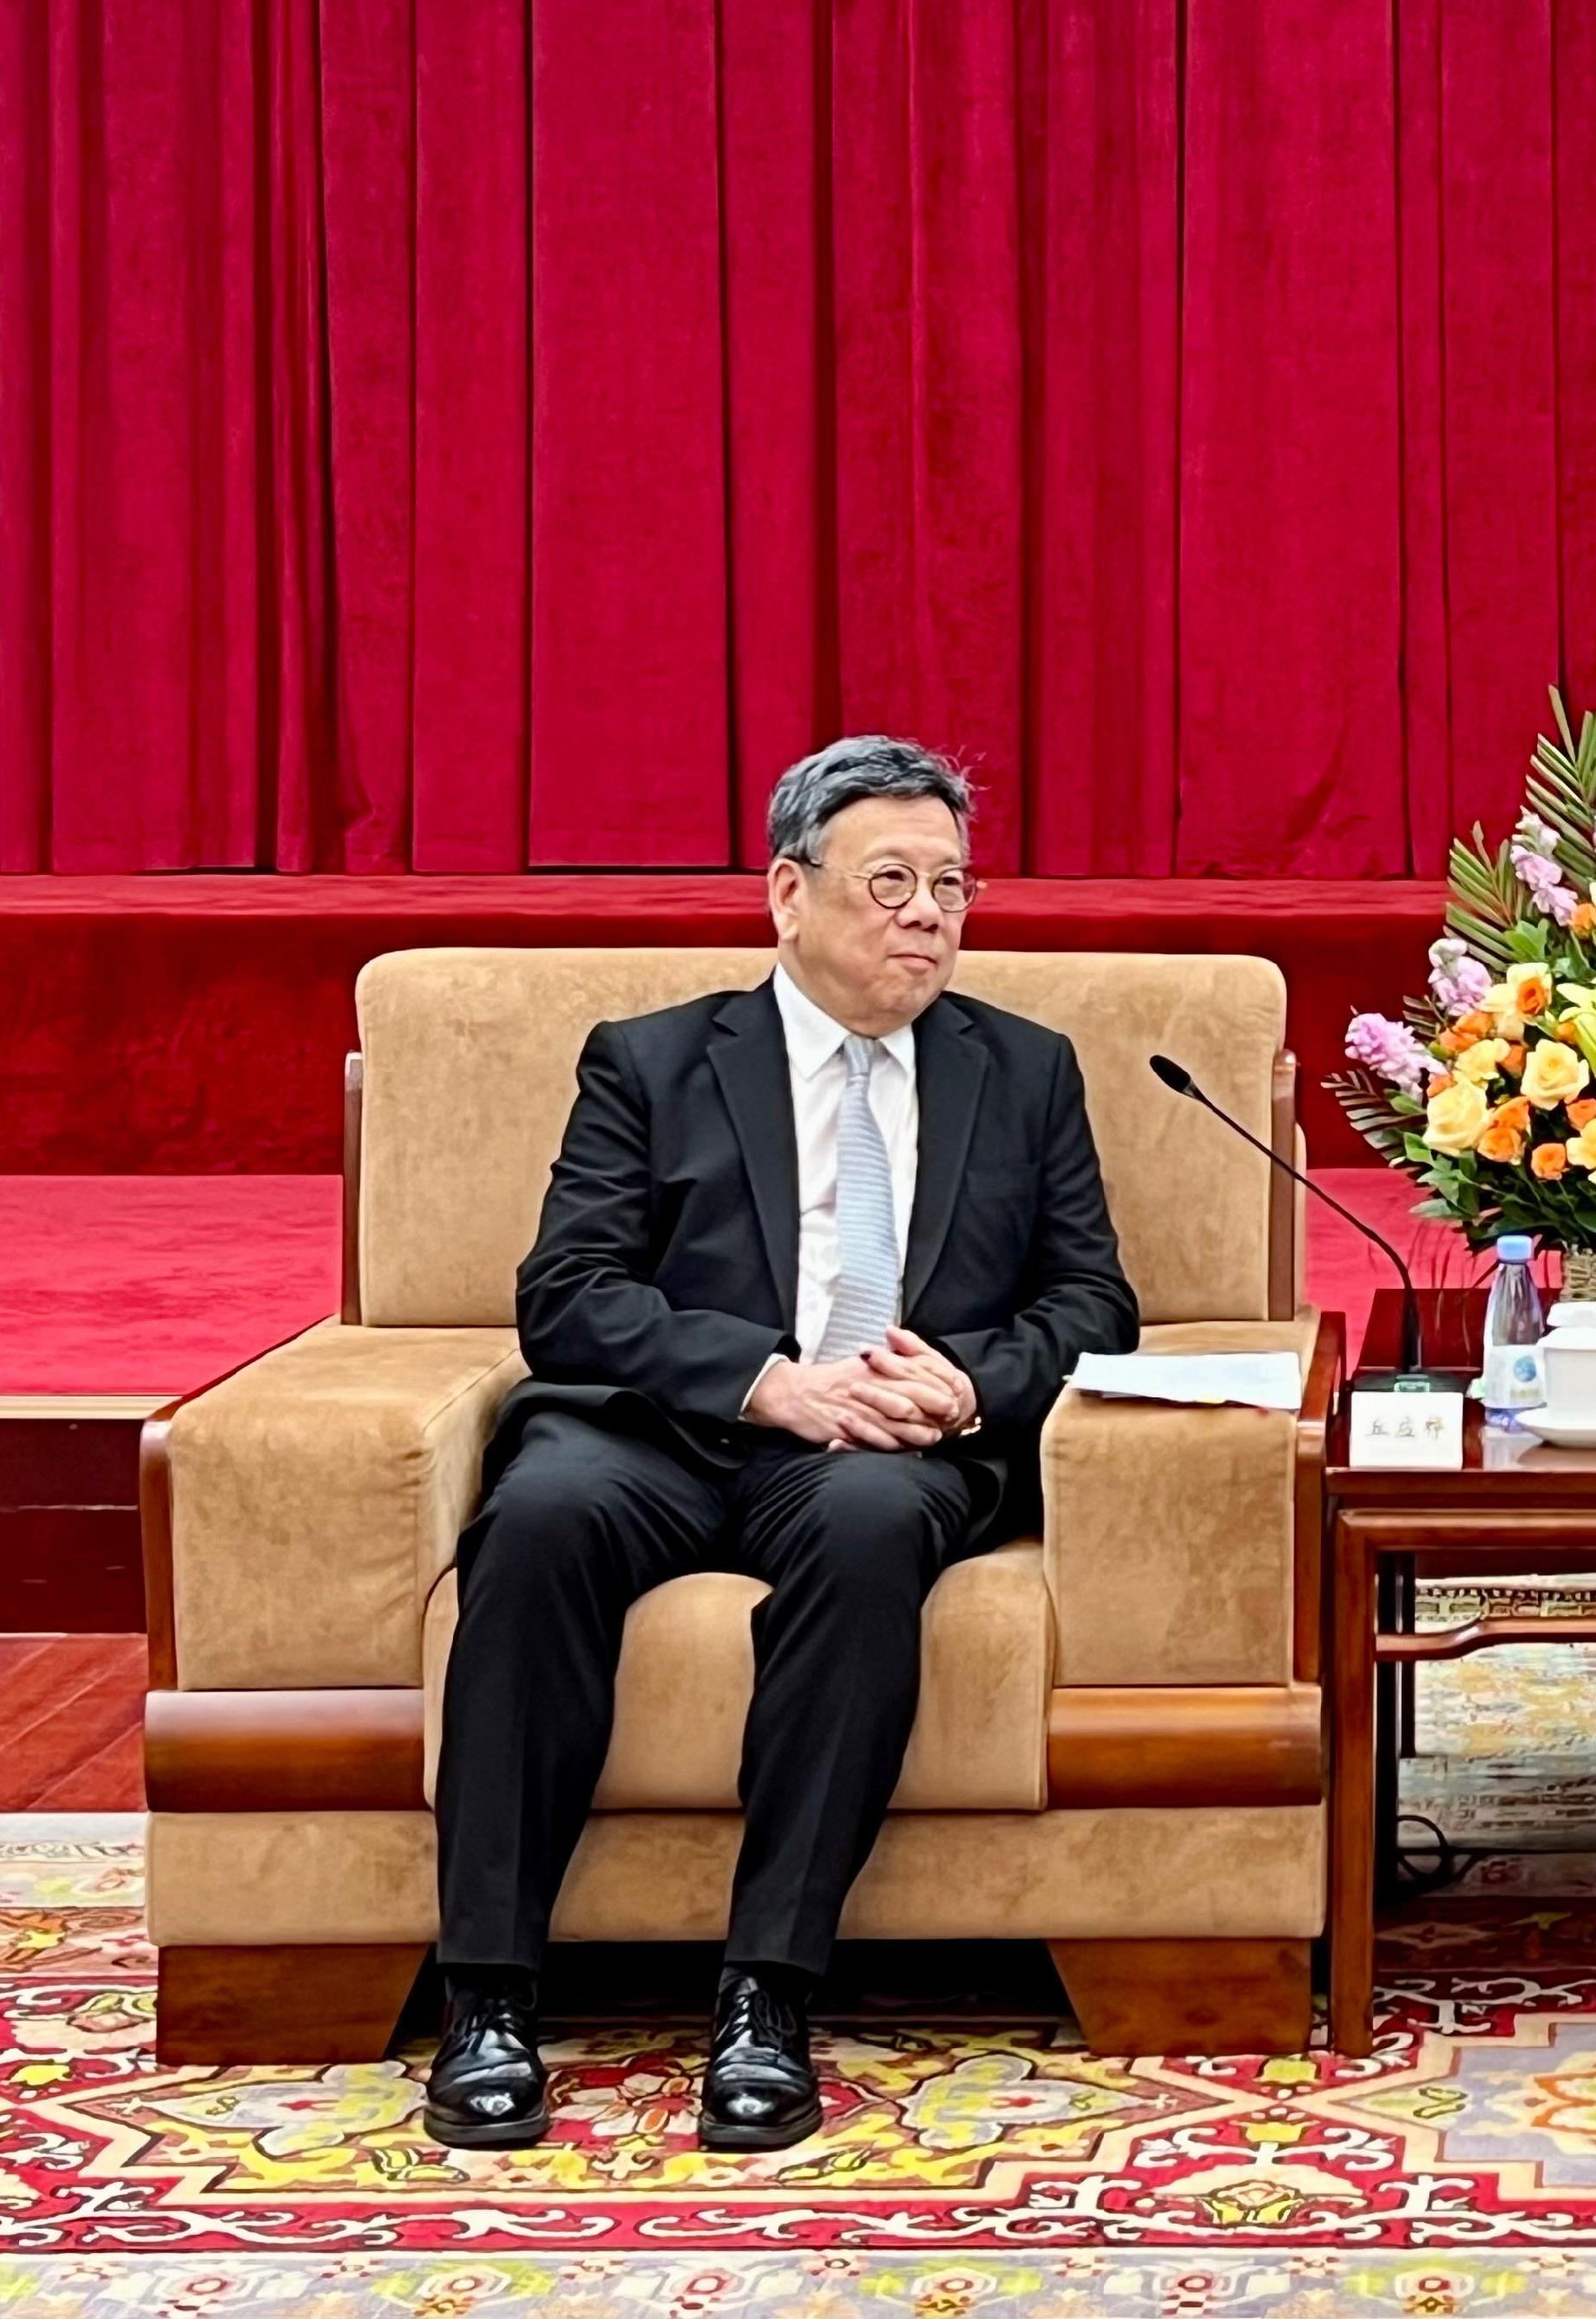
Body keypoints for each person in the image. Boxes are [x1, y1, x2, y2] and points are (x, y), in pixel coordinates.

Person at [420, 737, 1133, 2153]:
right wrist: (766, 1382)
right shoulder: (657, 1060)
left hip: (885, 1447)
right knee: (540, 1517)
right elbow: (566, 1296)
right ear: (787, 895)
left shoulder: (1027, 1070)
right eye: (892, 881)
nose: (930, 913)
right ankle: (487, 1991)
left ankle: (767, 1991)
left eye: (953, 884)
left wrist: (967, 1386)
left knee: (871, 1532)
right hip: (671, 1431)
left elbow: (1090, 1297)